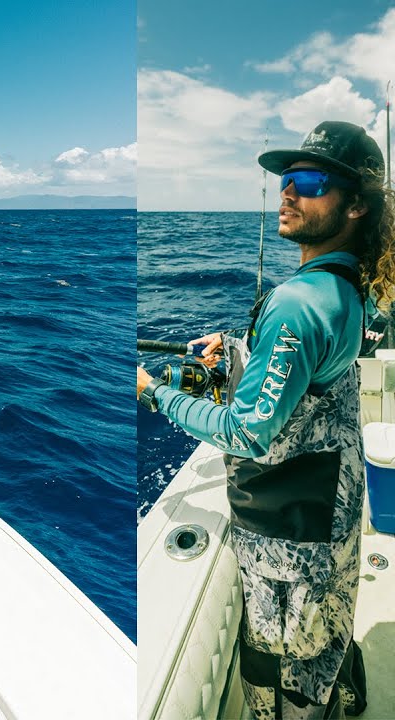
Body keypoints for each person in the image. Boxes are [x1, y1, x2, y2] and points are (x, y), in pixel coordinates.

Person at [138, 121, 394, 718]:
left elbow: (248, 432)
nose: (287, 191)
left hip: (289, 528)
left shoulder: (298, 303)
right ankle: (345, 693)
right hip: (329, 504)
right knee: (326, 634)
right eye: (285, 179)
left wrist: (155, 392)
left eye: (308, 180)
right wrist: (236, 348)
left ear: (355, 204)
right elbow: (310, 367)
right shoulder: (345, 289)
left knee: (284, 666)